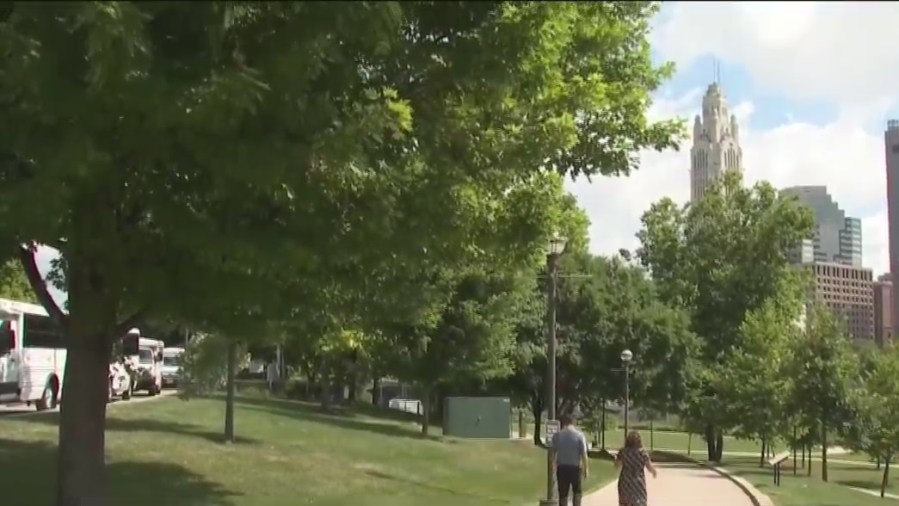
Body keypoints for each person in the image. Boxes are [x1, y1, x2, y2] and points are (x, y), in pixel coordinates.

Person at [550, 413, 589, 506]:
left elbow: (552, 453)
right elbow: (584, 454)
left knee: (563, 493)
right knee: (577, 492)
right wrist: (586, 468)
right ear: (573, 423)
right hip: (575, 468)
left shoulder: (557, 435)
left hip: (562, 468)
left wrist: (553, 466)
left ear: (563, 423)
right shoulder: (580, 435)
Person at [615, 431, 657, 506]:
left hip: (625, 481)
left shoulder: (623, 452)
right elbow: (649, 467)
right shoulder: (643, 453)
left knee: (625, 502)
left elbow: (617, 465)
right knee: (639, 502)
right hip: (638, 483)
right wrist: (654, 472)